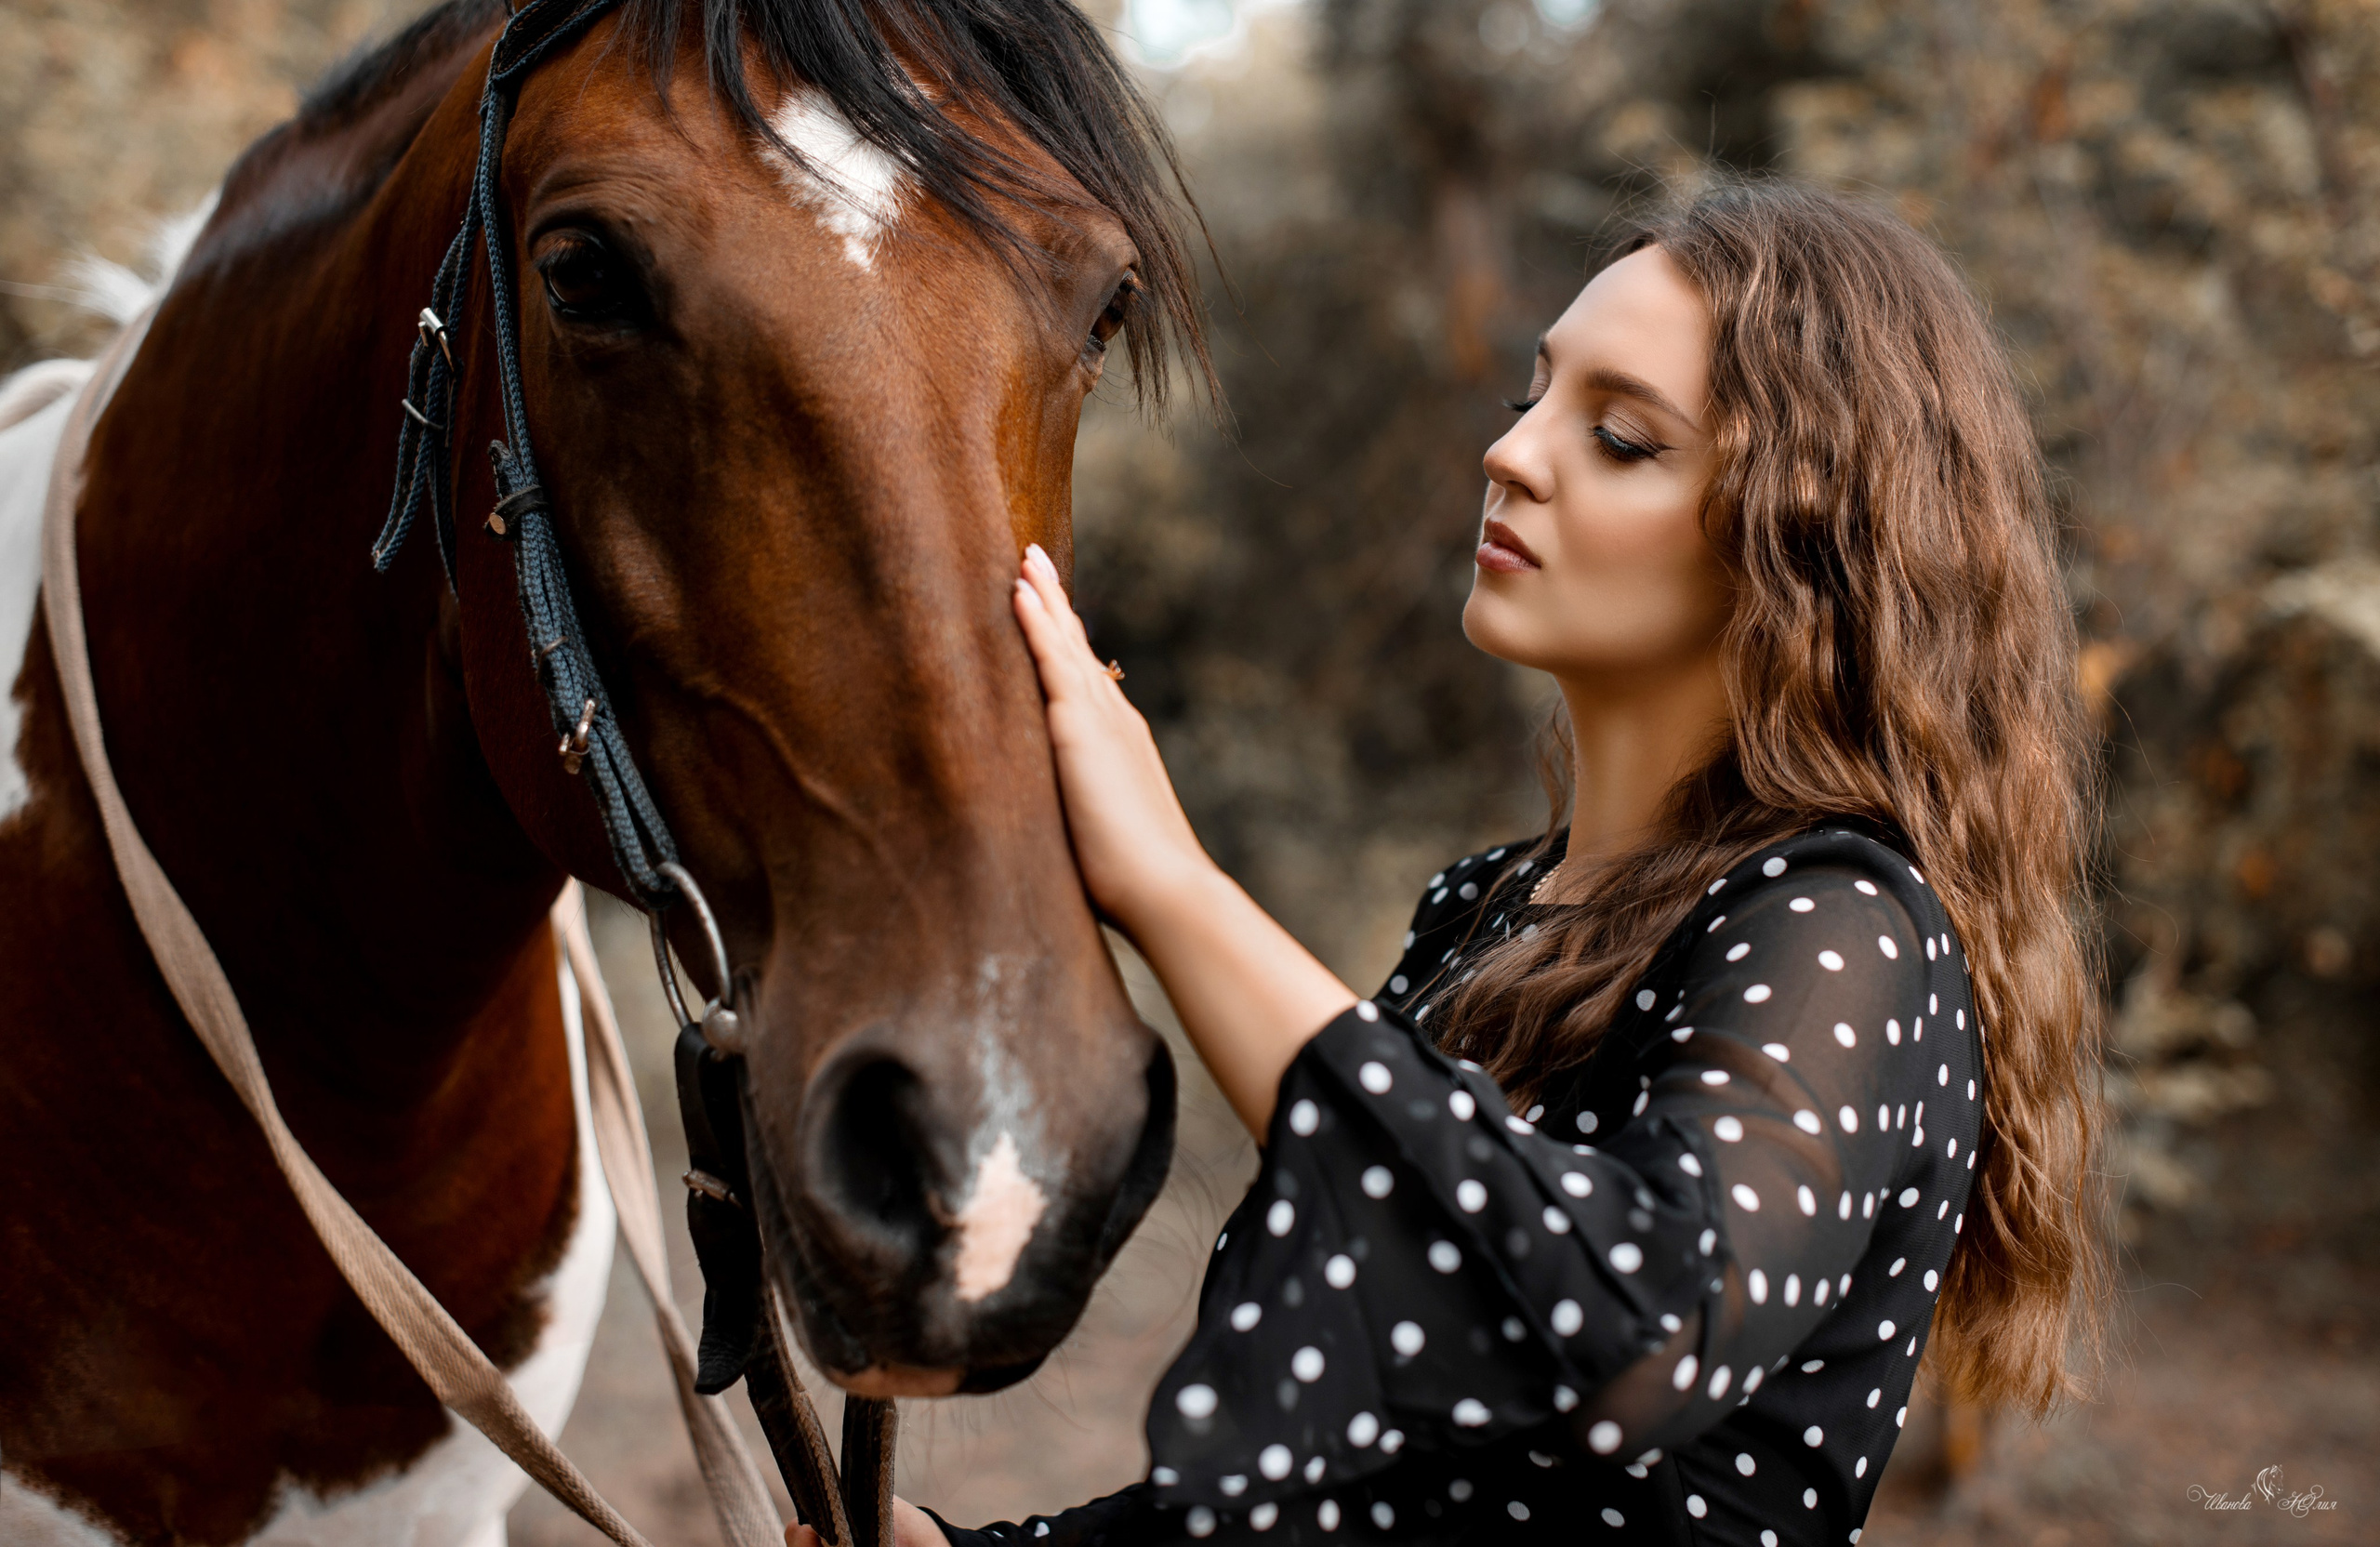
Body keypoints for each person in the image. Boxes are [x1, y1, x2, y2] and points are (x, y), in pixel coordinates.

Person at [812, 178, 2107, 1546]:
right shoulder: (1483, 913)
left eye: (1620, 437)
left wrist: (1174, 888)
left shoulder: (1843, 926)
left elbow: (1641, 1339)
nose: (1514, 453)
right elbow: (1349, 1492)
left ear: (1808, 538)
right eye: (1529, 396)